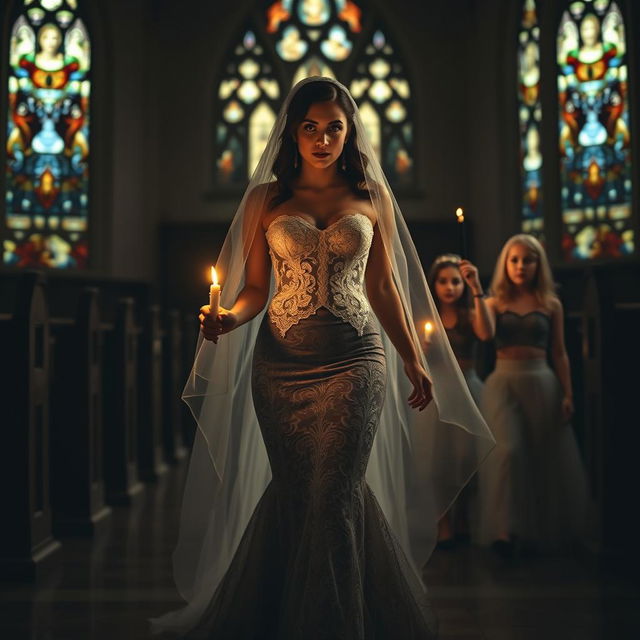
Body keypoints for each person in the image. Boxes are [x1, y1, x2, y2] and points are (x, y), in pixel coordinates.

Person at [151, 77, 494, 638]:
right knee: (297, 494)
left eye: (334, 127)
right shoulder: (266, 199)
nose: (323, 138)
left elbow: (383, 288)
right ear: (292, 131)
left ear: (349, 132)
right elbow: (255, 292)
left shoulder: (371, 198)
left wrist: (412, 357)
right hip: (279, 368)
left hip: (356, 364)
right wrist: (226, 320)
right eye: (310, 127)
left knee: (333, 495)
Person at [478, 234, 588, 557]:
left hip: (542, 381)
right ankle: (504, 531)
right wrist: (475, 291)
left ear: (538, 264)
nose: (520, 266)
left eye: (528, 259)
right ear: (505, 264)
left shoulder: (550, 303)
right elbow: (484, 334)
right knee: (508, 452)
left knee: (544, 455)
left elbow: (560, 352)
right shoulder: (493, 302)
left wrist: (568, 393)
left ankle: (540, 533)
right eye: (514, 260)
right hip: (503, 383)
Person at [426, 254, 494, 549]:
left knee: (466, 459)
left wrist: (476, 287)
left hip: (469, 390)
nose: (450, 287)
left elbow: (487, 333)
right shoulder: (427, 318)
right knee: (436, 461)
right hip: (438, 394)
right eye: (443, 281)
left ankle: (464, 518)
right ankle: (443, 523)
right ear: (434, 284)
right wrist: (424, 349)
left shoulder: (470, 316)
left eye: (455, 281)